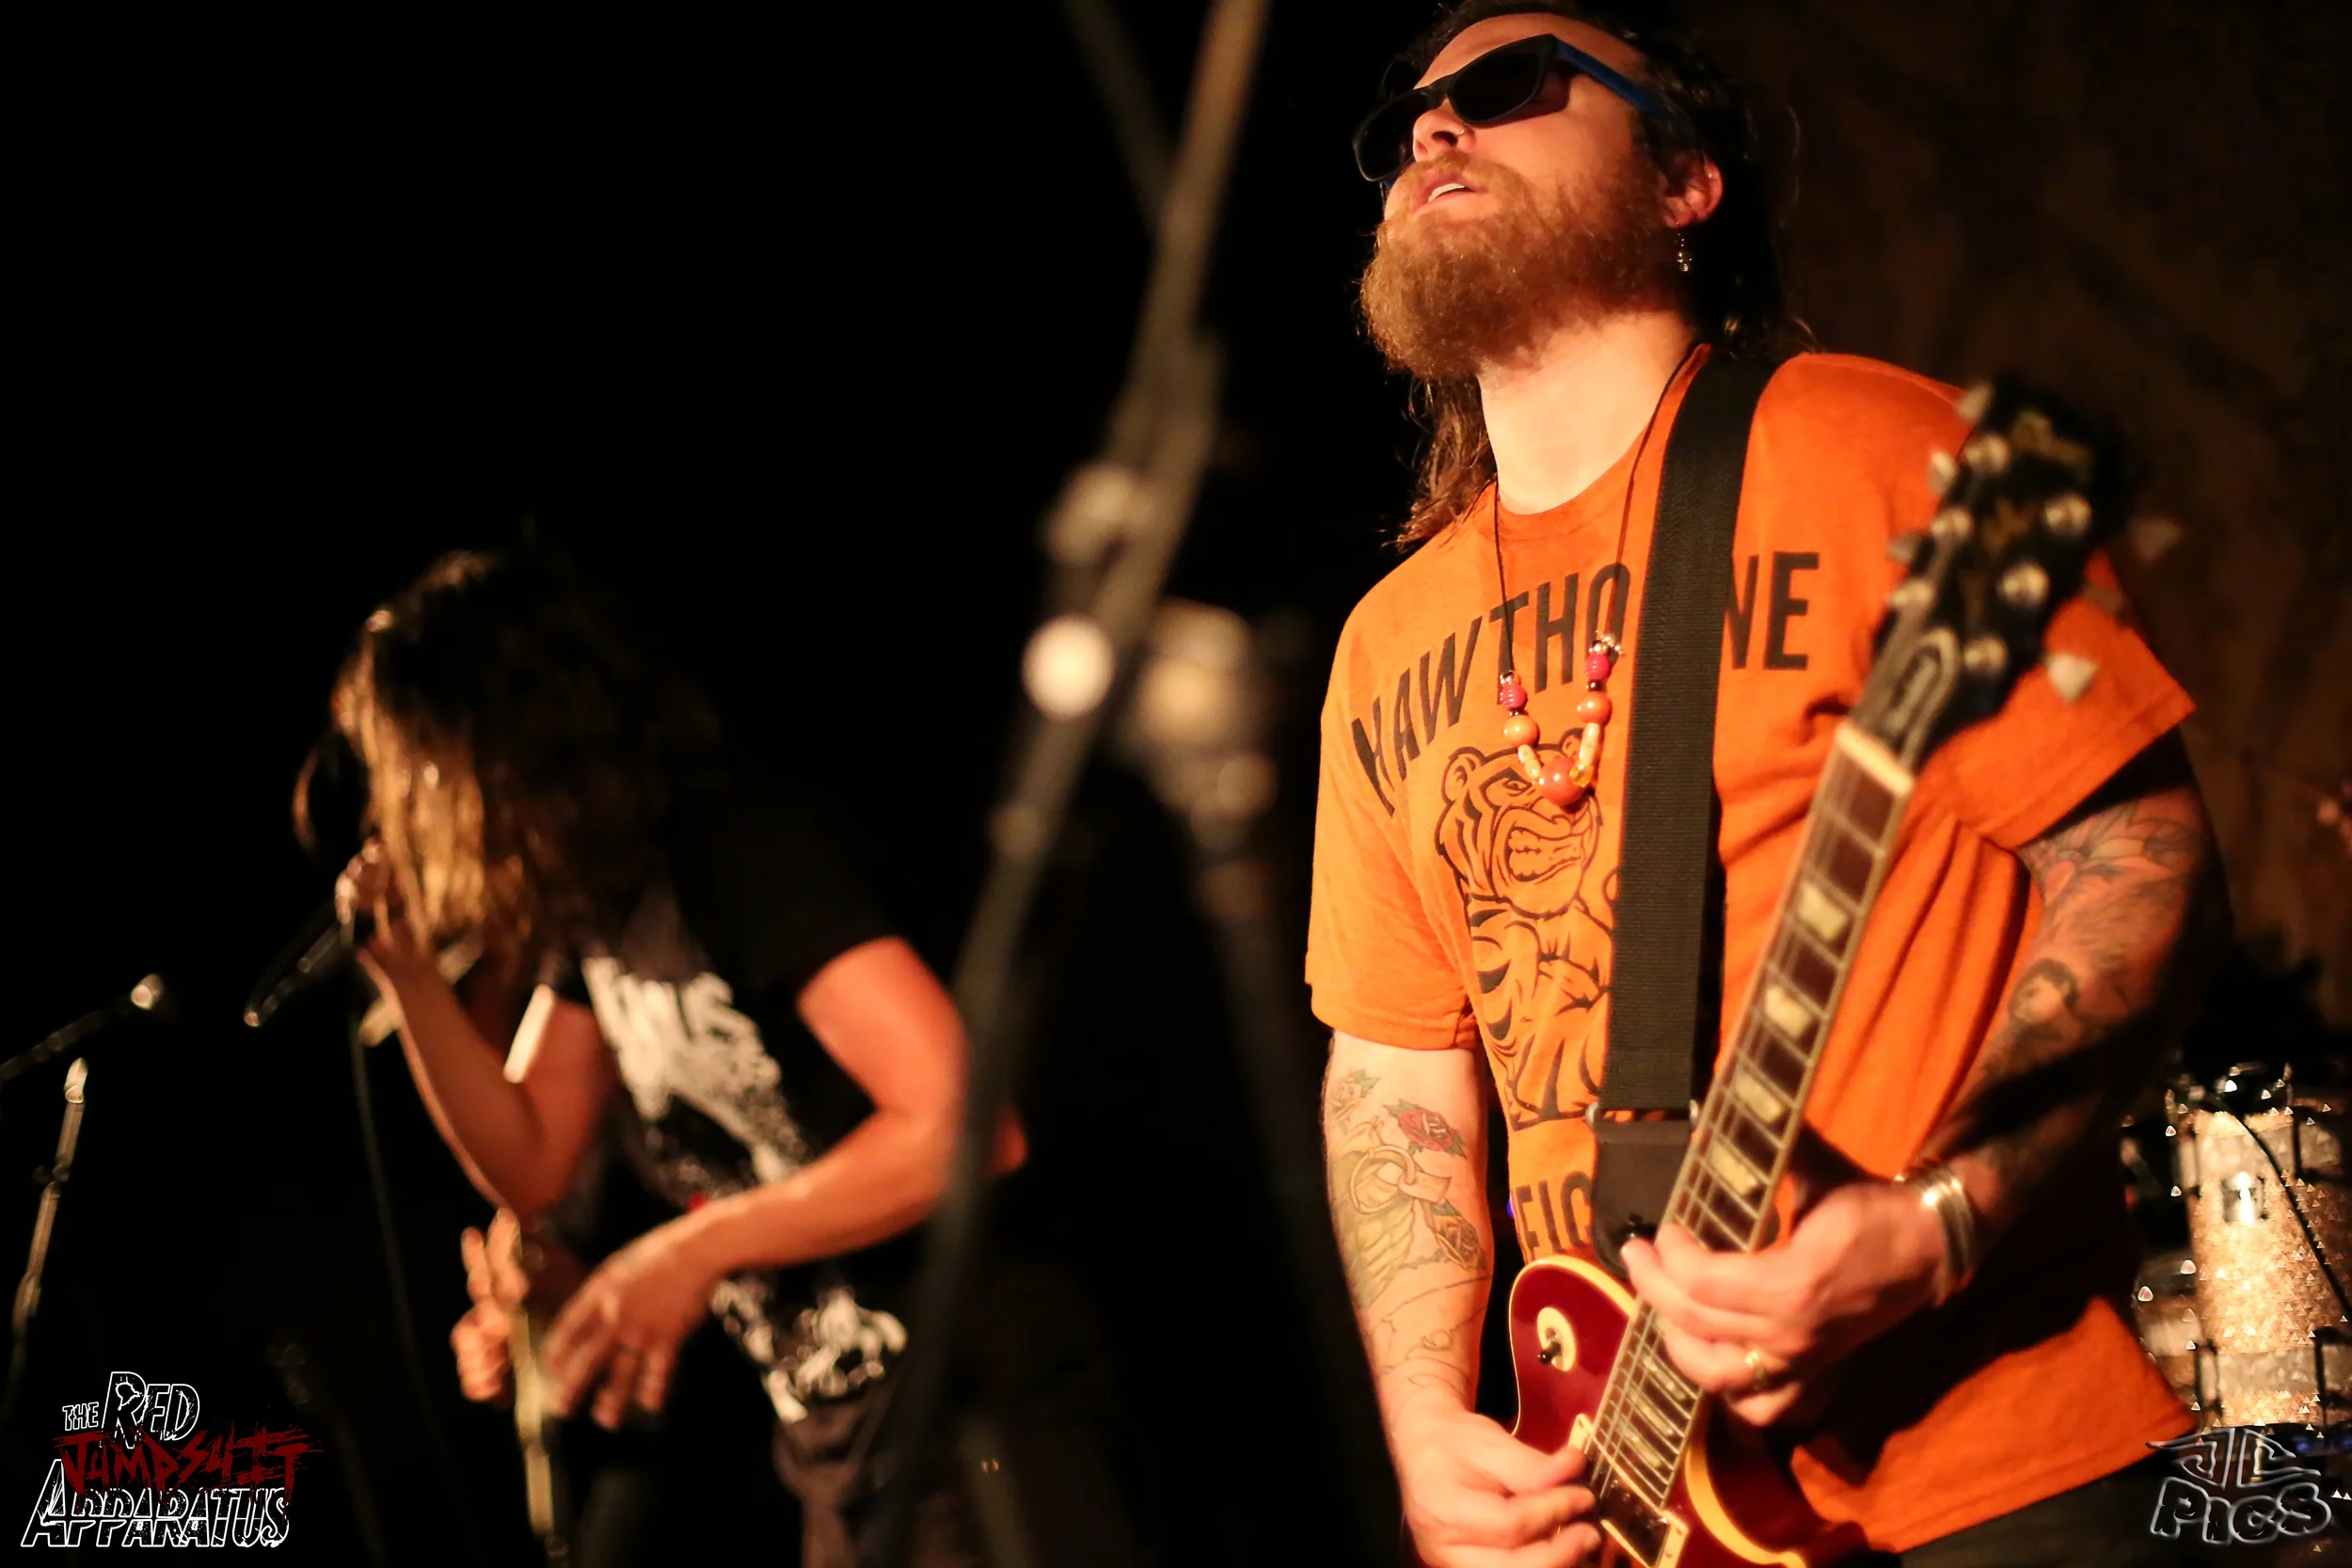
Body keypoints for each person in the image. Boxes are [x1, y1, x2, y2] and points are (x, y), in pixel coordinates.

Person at [1309, 5, 2217, 1565]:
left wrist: (1938, 1222)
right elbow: (1395, 1073)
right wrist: (1424, 1414)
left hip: (1991, 1478)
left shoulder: (1870, 446)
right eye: (1407, 121)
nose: (1435, 131)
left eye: (1509, 88)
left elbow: (2145, 855)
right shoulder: (1387, 638)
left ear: (1684, 181)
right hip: (1618, 1488)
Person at [324, 546, 1123, 1567]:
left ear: (505, 742)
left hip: (981, 1414)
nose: (414, 803)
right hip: (842, 1449)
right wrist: (409, 980)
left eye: (425, 763)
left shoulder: (732, 848)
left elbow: (967, 1126)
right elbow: (530, 1160)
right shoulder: (600, 912)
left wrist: (693, 1251)